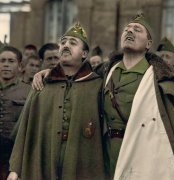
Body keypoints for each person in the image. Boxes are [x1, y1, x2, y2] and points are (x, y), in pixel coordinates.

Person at [33, 14, 174, 180]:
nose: (130, 32)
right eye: (127, 29)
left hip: (141, 149)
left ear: (148, 44)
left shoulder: (158, 77)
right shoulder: (105, 71)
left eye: (137, 30)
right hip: (104, 151)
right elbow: (75, 77)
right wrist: (49, 72)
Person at [7, 22, 105, 180]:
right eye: (63, 42)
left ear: (84, 53)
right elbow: (25, 128)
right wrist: (15, 169)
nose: (66, 45)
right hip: (45, 161)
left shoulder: (97, 86)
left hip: (82, 163)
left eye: (73, 43)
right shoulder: (42, 83)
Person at [0, 46, 30, 180]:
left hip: (16, 158)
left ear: (20, 66)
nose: (6, 64)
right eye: (2, 61)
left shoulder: (29, 91)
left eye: (11, 61)